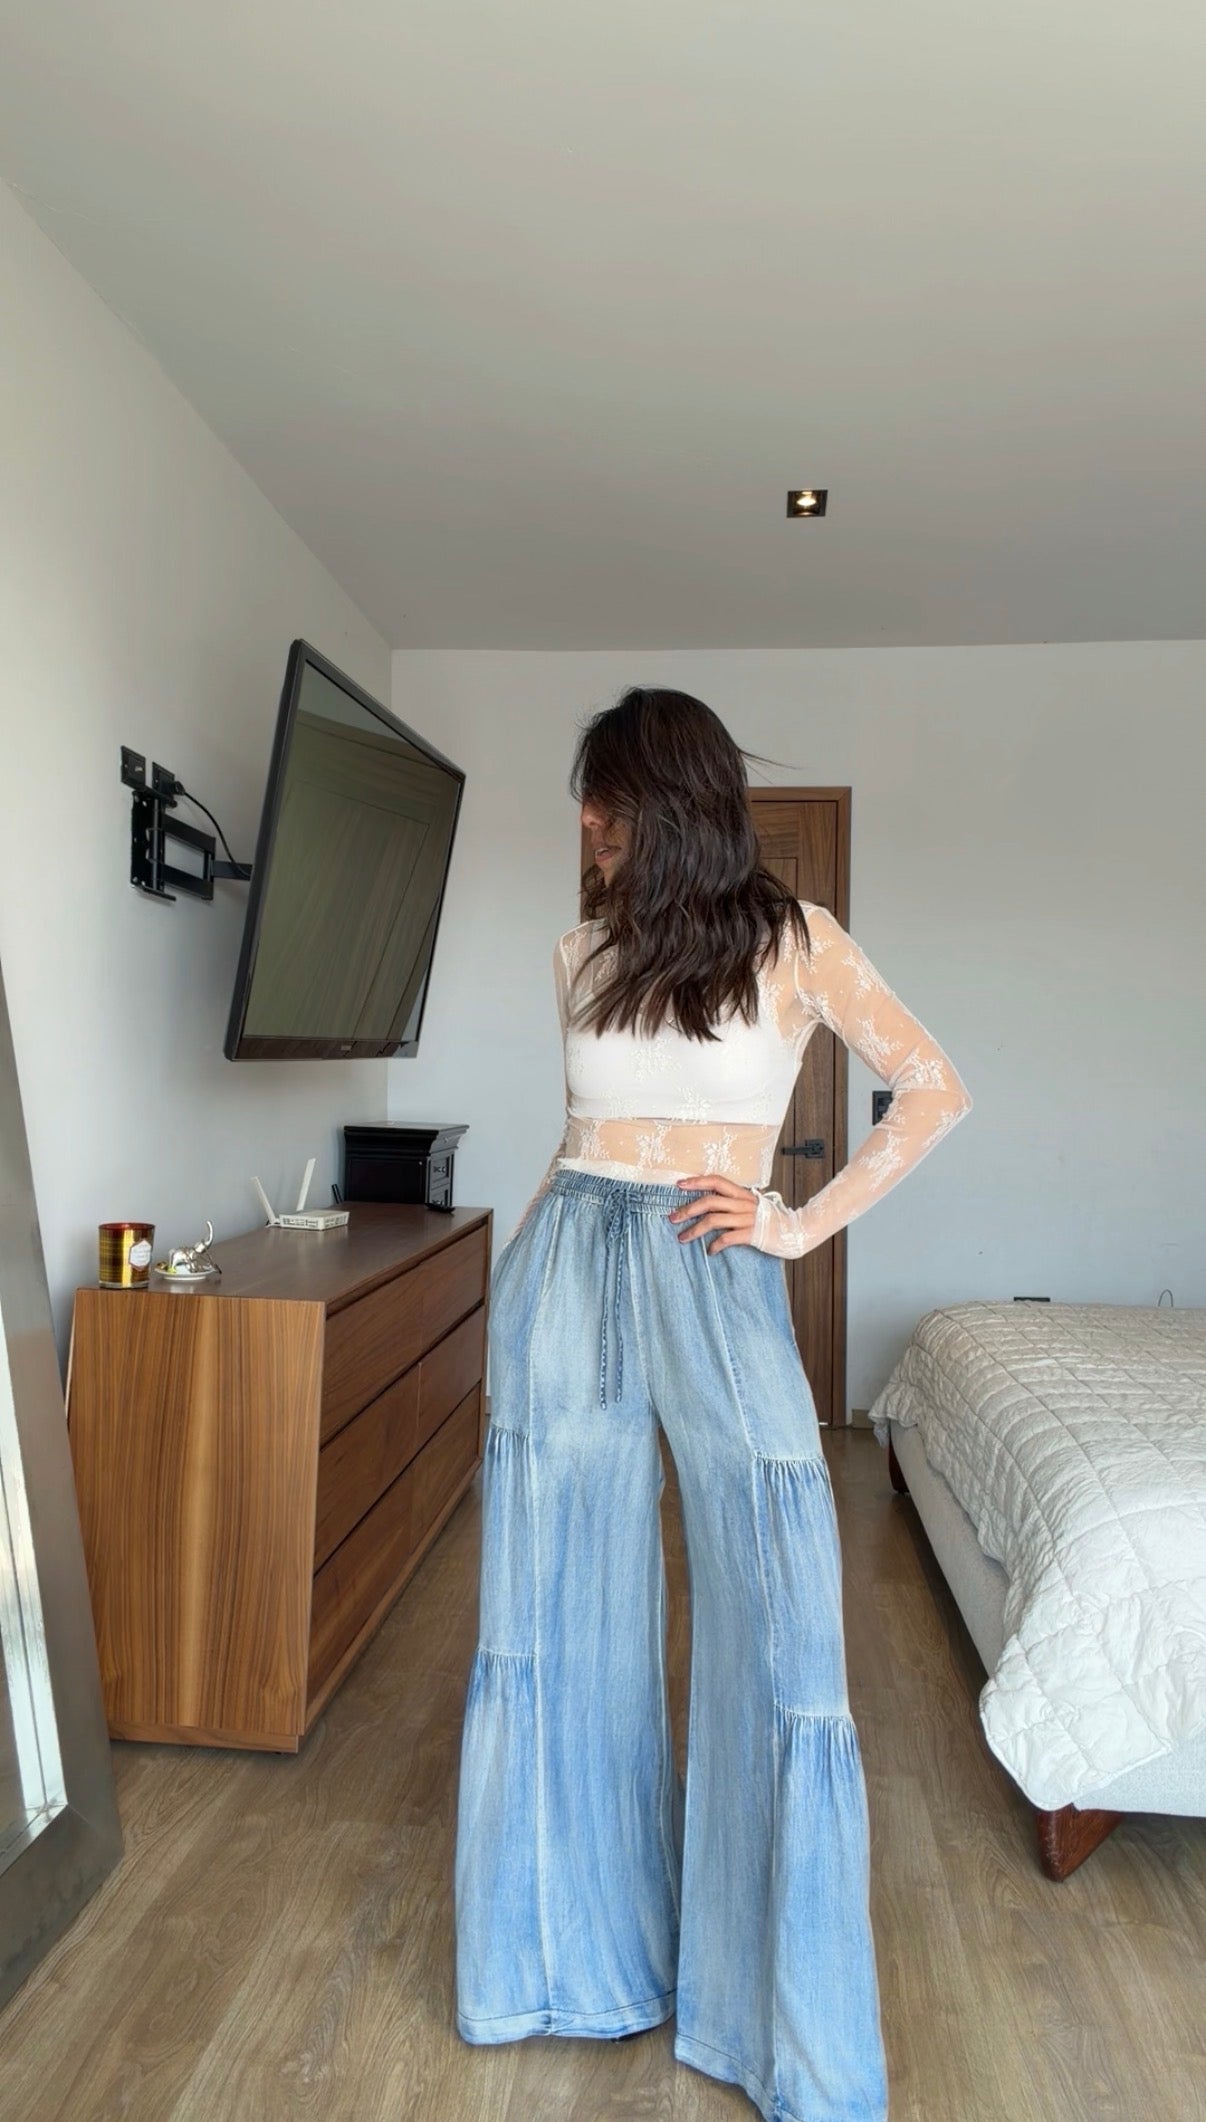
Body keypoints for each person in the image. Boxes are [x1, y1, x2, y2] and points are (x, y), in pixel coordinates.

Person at [453, 687, 972, 2122]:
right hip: (569, 1273)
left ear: (671, 801)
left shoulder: (799, 940)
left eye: (607, 797)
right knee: (554, 1615)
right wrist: (522, 1285)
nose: (586, 822)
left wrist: (795, 1226)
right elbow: (577, 1140)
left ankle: (777, 2024)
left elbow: (932, 1087)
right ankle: (567, 1968)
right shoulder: (580, 951)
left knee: (780, 1619)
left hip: (715, 1260)